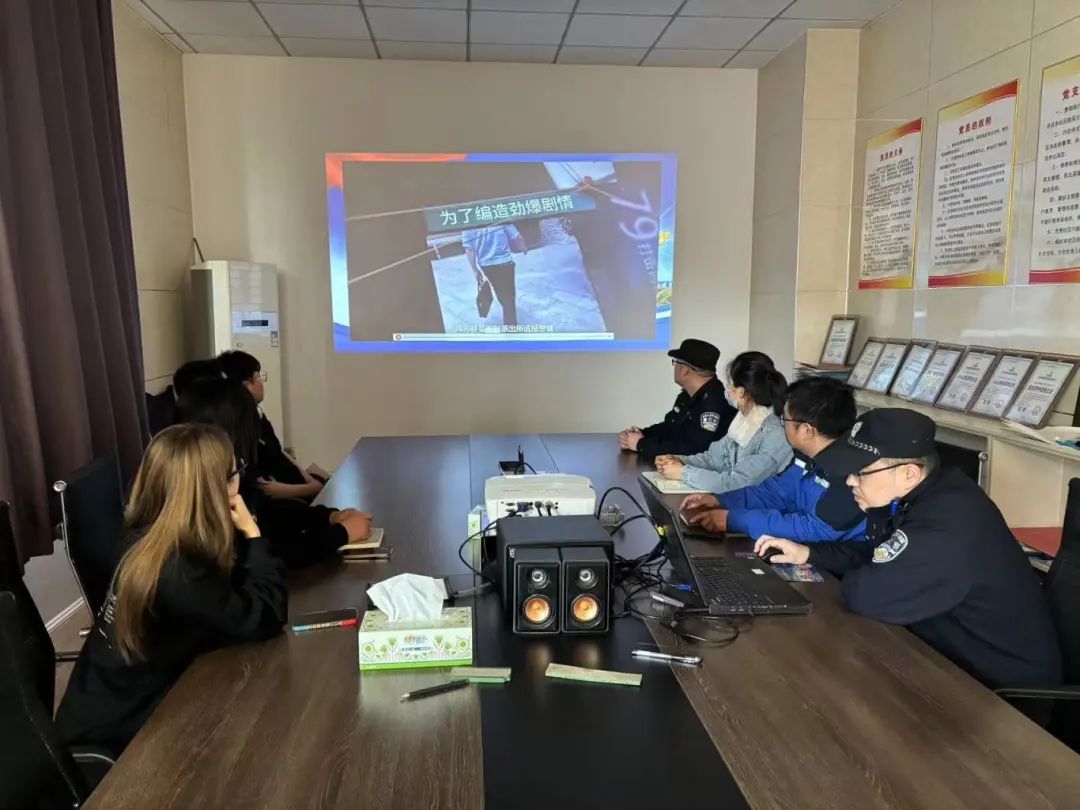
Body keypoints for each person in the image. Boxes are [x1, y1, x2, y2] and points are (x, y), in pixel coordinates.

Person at [755, 409, 1063, 689]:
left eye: (860, 472)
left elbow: (865, 594)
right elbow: (877, 555)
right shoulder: (915, 495)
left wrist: (864, 570)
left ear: (908, 474)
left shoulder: (947, 523)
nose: (849, 481)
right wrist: (809, 554)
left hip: (1000, 695)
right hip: (946, 659)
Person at [54, 424, 287, 756]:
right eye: (235, 473)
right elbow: (265, 616)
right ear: (214, 490)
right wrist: (253, 534)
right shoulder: (177, 571)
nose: (240, 480)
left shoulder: (144, 535)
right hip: (114, 742)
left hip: (98, 707)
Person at [177, 377, 372, 567]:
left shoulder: (231, 472)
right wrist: (341, 533)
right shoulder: (202, 497)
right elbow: (266, 555)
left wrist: (327, 517)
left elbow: (265, 513)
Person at [681, 376, 865, 543]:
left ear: (807, 431)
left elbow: (811, 529)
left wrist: (733, 519)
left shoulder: (851, 476)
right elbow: (776, 493)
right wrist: (720, 501)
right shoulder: (807, 457)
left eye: (785, 420)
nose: (782, 425)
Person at [654, 351, 792, 494]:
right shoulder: (744, 419)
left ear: (741, 392)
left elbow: (736, 483)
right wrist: (678, 460)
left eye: (730, 385)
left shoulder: (775, 434)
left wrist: (683, 473)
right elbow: (712, 460)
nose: (727, 391)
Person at [217, 349, 327, 502]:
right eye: (258, 377)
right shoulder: (242, 429)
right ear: (246, 385)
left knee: (321, 475)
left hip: (296, 486)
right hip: (286, 499)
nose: (261, 383)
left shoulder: (258, 416)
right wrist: (312, 488)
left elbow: (279, 453)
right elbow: (268, 489)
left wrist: (311, 481)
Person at [619, 338, 736, 463]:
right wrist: (642, 434)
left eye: (676, 362)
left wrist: (641, 444)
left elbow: (692, 449)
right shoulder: (689, 395)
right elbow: (670, 427)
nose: (674, 367)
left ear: (685, 370)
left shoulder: (713, 403)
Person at [462, 223, 527, 326]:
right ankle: (511, 329)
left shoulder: (468, 223)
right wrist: (523, 247)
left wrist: (475, 270)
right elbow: (516, 236)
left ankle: (509, 321)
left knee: (502, 294)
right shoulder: (499, 218)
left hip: (486, 265)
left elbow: (469, 249)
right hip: (505, 263)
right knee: (508, 298)